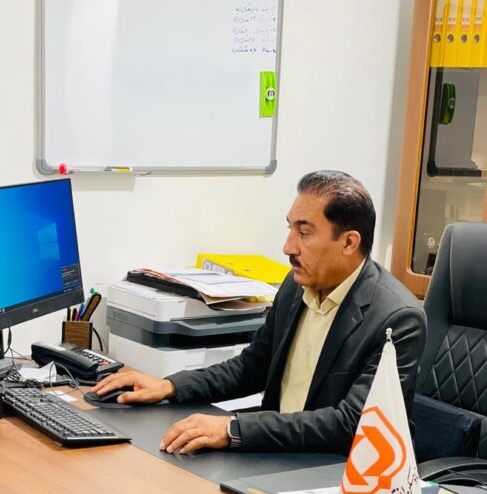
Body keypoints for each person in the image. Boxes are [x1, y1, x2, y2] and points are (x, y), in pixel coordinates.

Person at [93, 170, 427, 456]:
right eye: (290, 228)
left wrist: (234, 429)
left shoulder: (396, 319)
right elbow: (253, 367)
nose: (288, 247)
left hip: (339, 472)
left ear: (349, 242)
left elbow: (352, 424)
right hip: (280, 454)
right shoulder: (297, 285)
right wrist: (170, 386)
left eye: (304, 232)